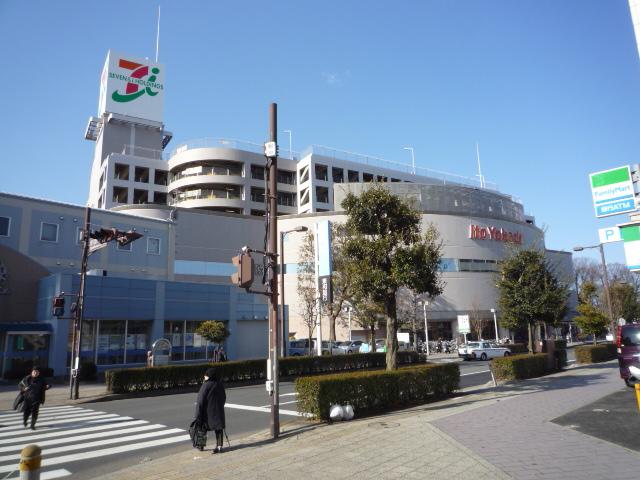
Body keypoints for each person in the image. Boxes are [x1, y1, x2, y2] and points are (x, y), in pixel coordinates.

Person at [195, 367, 227, 453]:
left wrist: (197, 414)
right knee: (219, 429)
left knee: (202, 428)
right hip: (218, 411)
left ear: (209, 376)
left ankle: (201, 445)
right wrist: (220, 405)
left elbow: (200, 401)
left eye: (206, 375)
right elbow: (224, 397)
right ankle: (219, 446)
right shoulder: (219, 384)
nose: (204, 377)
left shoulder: (205, 385)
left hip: (206, 412)